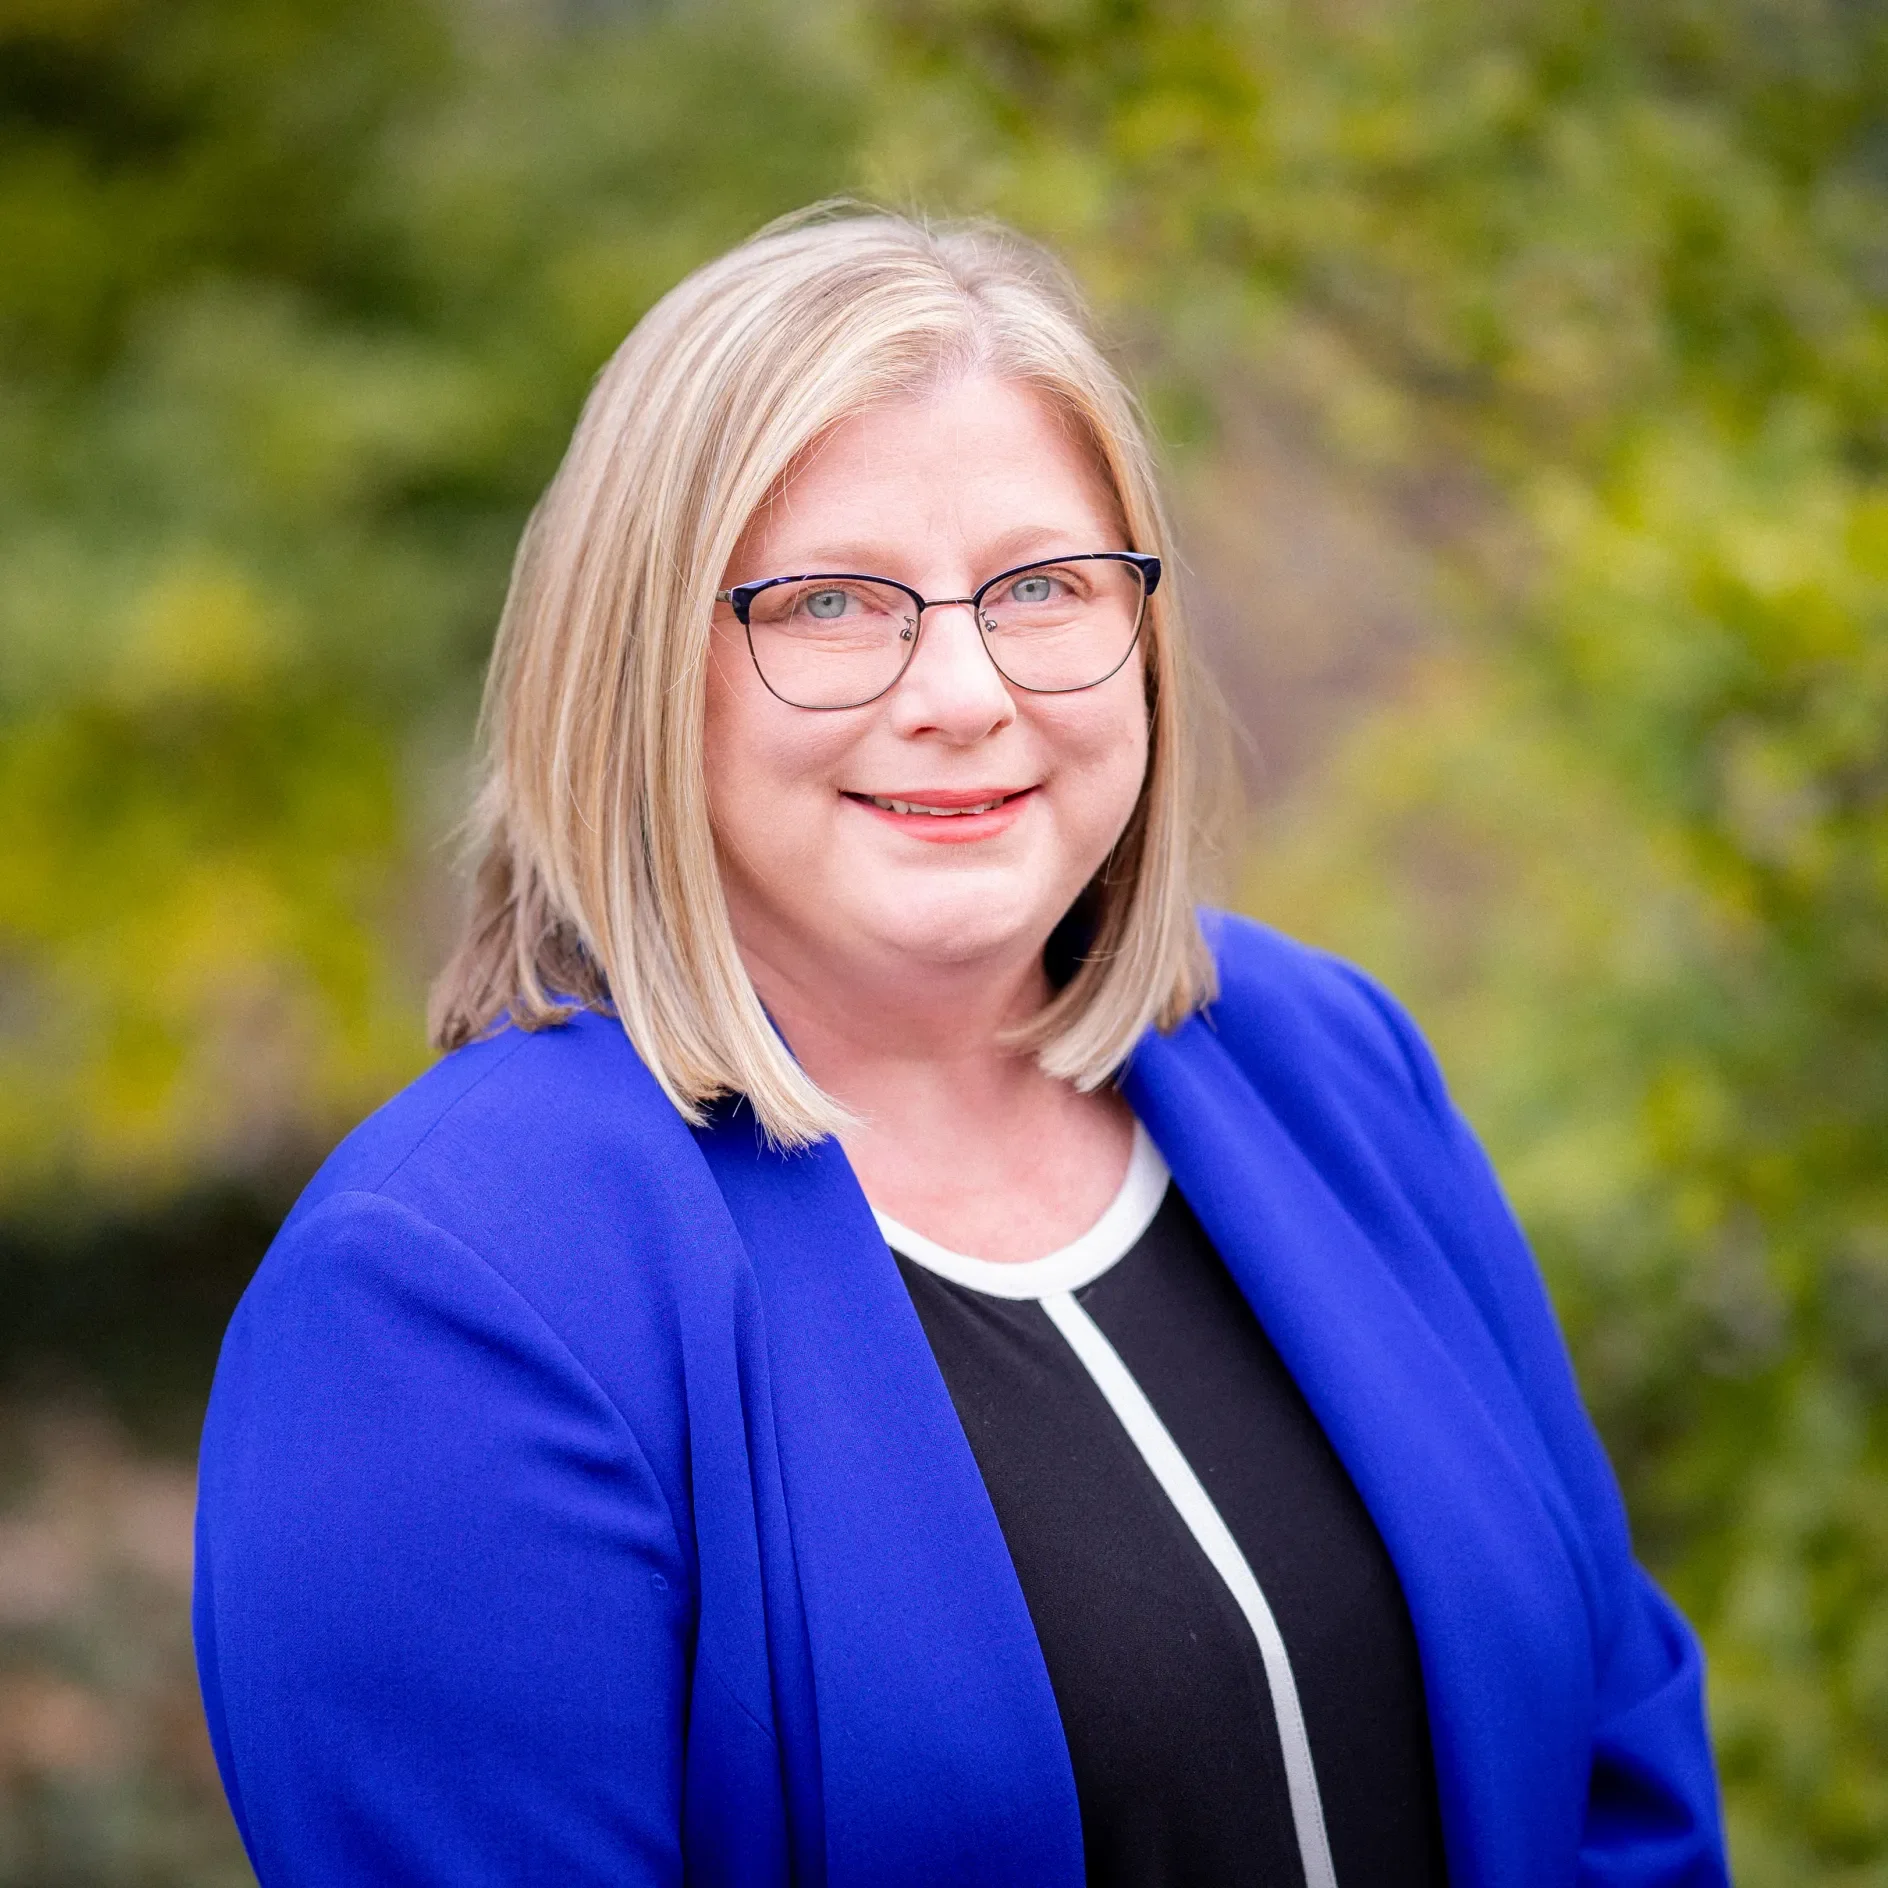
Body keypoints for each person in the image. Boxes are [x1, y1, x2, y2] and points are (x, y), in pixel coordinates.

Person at [192, 207, 1727, 1887]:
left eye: (1043, 586)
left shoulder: (1324, 1066)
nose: (964, 689)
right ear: (639, 666)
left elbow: (1616, 1769)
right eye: (835, 604)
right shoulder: (449, 1290)